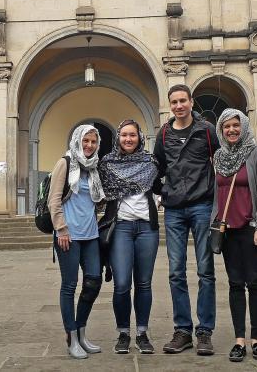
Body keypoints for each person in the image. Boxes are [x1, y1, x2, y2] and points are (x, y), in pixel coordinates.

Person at [153, 84, 220, 356]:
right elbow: (156, 167)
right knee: (175, 271)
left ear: (191, 102)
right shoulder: (165, 133)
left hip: (202, 206)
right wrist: (164, 192)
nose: (179, 106)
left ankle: (204, 331)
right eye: (174, 102)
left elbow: (221, 162)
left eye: (183, 100)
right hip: (174, 211)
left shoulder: (207, 130)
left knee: (206, 270)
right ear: (170, 105)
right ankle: (183, 330)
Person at [212, 108, 257, 363]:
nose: (231, 130)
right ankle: (239, 340)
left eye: (235, 125)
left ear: (243, 126)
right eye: (226, 127)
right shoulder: (218, 156)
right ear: (221, 131)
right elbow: (216, 193)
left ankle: (256, 340)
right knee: (235, 285)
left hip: (251, 229)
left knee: (255, 284)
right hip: (228, 231)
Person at [99, 120, 161, 355]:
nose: (128, 139)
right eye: (124, 135)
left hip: (147, 228)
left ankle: (142, 333)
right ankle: (123, 332)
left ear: (139, 137)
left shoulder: (151, 162)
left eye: (132, 135)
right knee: (122, 283)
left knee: (144, 283)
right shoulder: (107, 163)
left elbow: (159, 187)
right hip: (121, 227)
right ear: (118, 137)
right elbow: (98, 190)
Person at [48, 125, 105, 359]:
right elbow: (54, 201)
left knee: (93, 282)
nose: (89, 145)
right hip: (68, 236)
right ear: (77, 141)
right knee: (69, 286)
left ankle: (81, 331)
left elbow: (96, 202)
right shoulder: (65, 162)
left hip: (90, 234)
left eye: (93, 141)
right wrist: (61, 229)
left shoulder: (93, 167)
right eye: (86, 141)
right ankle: (71, 336)